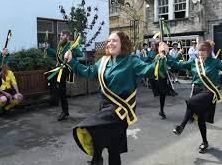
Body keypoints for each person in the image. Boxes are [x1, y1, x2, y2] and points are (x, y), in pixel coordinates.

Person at [66, 31, 163, 165]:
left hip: (120, 110)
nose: (110, 43)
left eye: (115, 40)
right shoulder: (103, 61)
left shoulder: (131, 61)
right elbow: (88, 72)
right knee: (113, 147)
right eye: (109, 40)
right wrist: (72, 62)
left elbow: (151, 70)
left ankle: (96, 158)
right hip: (104, 107)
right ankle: (97, 157)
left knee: (91, 127)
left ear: (122, 43)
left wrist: (162, 55)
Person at [167, 41, 222, 153]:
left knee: (190, 102)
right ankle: (205, 142)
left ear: (208, 51)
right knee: (200, 119)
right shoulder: (194, 62)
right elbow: (178, 65)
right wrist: (166, 55)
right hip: (196, 90)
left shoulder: (215, 62)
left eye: (203, 50)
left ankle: (181, 126)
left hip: (209, 91)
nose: (201, 52)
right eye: (199, 50)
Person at [46, 30, 83, 121]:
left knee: (61, 89)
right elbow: (56, 55)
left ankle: (64, 111)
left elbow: (80, 54)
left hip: (67, 69)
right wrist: (48, 49)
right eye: (60, 35)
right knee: (51, 79)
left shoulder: (71, 45)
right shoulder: (60, 46)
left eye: (62, 35)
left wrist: (73, 50)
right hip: (59, 68)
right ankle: (55, 100)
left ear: (67, 36)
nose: (60, 36)